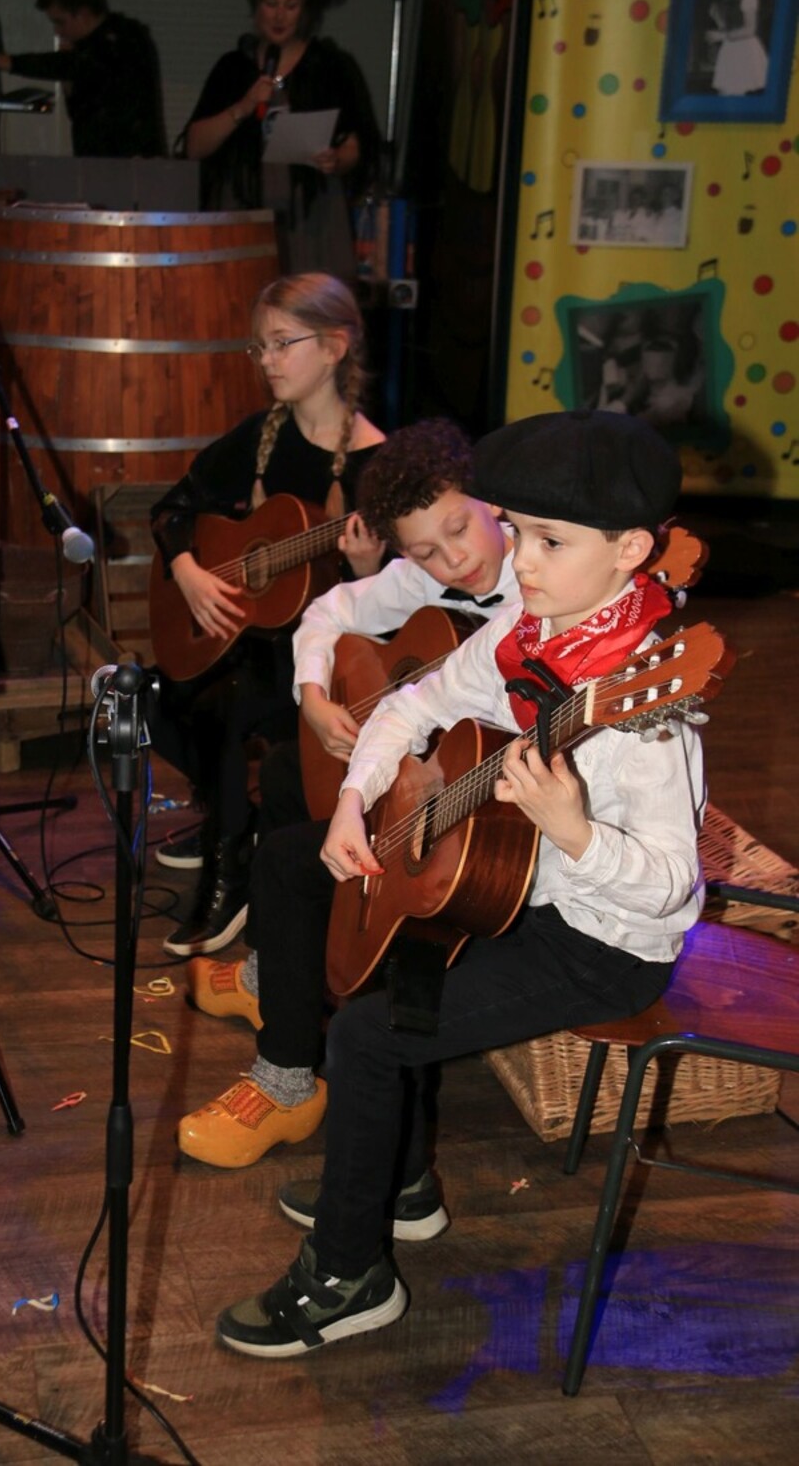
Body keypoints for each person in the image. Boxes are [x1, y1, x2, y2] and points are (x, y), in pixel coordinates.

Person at [212, 408, 708, 1358]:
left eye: (551, 541)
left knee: (367, 1035)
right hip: (523, 891)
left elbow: (672, 893)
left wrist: (574, 832)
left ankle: (348, 1276)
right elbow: (412, 704)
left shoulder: (648, 711)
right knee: (384, 976)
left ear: (631, 551)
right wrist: (355, 801)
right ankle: (395, 1186)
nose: (521, 561)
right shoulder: (532, 633)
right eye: (517, 532)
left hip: (603, 945)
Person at [177, 417, 519, 1168]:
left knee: (289, 859)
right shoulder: (428, 576)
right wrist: (312, 696)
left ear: (492, 502)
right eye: (425, 552)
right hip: (429, 767)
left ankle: (290, 1071)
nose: (454, 560)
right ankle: (276, 987)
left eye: (459, 530)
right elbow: (327, 613)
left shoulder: (548, 584)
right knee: (292, 772)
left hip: (485, 813)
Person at [149, 272, 385, 958]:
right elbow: (172, 509)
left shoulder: (378, 465)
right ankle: (232, 821)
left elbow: (399, 604)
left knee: (225, 707)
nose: (268, 361)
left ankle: (231, 876)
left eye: (283, 343)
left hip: (319, 661)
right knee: (147, 698)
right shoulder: (261, 437)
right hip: (248, 641)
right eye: (260, 347)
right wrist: (189, 571)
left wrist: (368, 568)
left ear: (335, 347)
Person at [182, 0, 380, 279]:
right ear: (256, 7)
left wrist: (336, 160)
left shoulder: (328, 67)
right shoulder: (233, 68)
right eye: (271, 3)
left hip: (310, 217)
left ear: (305, 11)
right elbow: (194, 146)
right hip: (243, 212)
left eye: (290, 6)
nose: (279, 16)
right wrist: (243, 106)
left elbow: (355, 143)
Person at [0, 0, 166, 157]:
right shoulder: (94, 48)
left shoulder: (124, 41)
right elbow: (79, 111)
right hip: (103, 161)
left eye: (60, 22)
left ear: (83, 14)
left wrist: (6, 62)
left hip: (130, 161)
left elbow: (63, 65)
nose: (58, 31)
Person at [706, 0, 769, 96]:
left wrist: (722, 36)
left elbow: (750, 29)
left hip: (744, 51)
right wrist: (717, 18)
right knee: (726, 92)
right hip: (731, 49)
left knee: (734, 91)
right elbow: (731, 27)